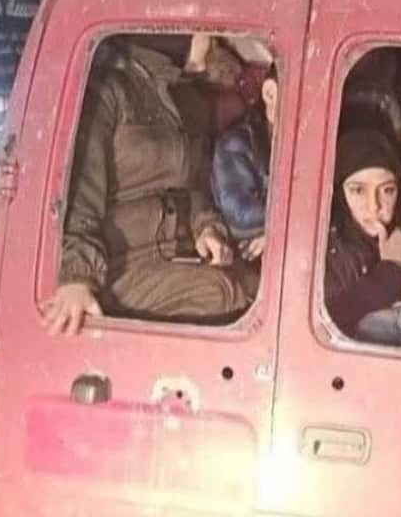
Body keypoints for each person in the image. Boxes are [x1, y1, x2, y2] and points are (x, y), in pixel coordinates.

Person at [43, 35, 247, 335]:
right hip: (115, 265)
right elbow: (79, 191)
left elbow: (196, 185)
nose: (214, 38)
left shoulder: (188, 98)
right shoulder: (109, 91)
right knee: (223, 294)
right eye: (205, 31)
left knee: (260, 286)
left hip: (173, 253)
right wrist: (78, 276)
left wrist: (207, 227)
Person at [323, 129, 401, 336]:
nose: (374, 205)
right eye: (358, 190)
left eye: (387, 190)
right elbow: (325, 323)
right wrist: (392, 270)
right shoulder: (327, 248)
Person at [211, 66, 276, 262]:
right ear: (270, 93)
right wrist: (288, 228)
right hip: (247, 257)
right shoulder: (236, 144)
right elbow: (241, 213)